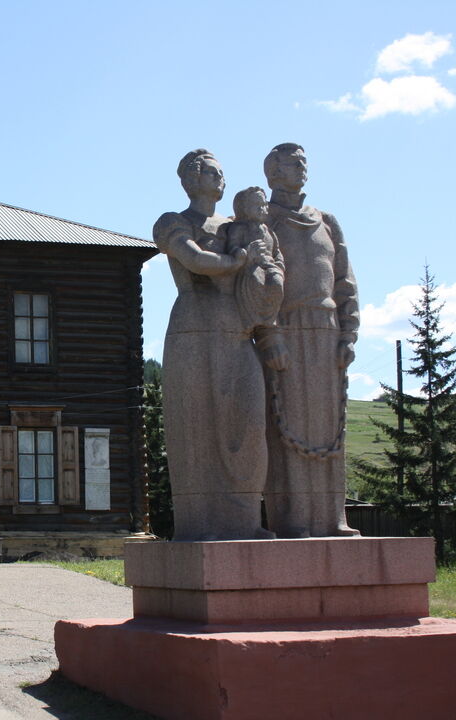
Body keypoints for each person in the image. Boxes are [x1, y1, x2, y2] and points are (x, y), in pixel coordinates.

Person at [154, 149, 275, 541]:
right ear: (190, 180)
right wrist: (239, 260)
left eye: (222, 172)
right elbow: (195, 260)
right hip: (194, 327)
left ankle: (245, 523)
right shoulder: (173, 222)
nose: (220, 178)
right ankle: (200, 524)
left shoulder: (239, 224)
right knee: (198, 425)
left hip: (237, 328)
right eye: (211, 172)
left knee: (248, 422)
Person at [262, 143, 360, 537]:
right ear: (272, 172)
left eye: (303, 161)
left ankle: (334, 518)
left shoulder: (327, 221)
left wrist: (349, 331)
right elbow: (257, 283)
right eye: (292, 162)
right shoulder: (262, 219)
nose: (302, 167)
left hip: (327, 327)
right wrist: (269, 334)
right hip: (285, 327)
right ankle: (294, 518)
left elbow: (345, 281)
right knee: (290, 426)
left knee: (328, 425)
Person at [227, 186, 284, 335]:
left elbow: (277, 252)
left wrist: (279, 265)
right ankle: (251, 319)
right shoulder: (239, 228)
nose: (262, 208)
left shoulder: (269, 231)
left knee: (277, 283)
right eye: (256, 205)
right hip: (251, 267)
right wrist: (245, 253)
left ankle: (269, 317)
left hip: (270, 266)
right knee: (255, 280)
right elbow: (233, 247)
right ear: (244, 208)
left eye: (264, 204)